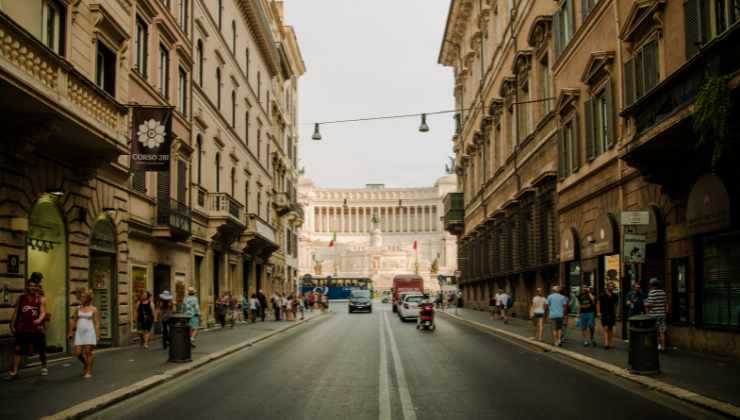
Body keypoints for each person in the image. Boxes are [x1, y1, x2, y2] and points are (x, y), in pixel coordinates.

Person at [7, 273, 48, 379]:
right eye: (30, 286)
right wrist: (12, 324)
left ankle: (44, 365)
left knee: (41, 349)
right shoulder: (21, 298)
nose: (32, 288)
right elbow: (16, 312)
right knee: (17, 350)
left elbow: (43, 312)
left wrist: (38, 320)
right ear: (27, 286)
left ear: (37, 287)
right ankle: (14, 372)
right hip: (23, 328)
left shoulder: (41, 299)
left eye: (34, 286)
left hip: (36, 328)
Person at [69, 288, 99, 379]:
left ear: (88, 298)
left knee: (88, 352)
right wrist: (70, 332)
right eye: (81, 297)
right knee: (77, 353)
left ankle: (88, 370)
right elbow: (73, 320)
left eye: (84, 297)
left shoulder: (94, 309)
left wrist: (97, 335)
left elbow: (97, 323)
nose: (82, 298)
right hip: (79, 333)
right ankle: (86, 364)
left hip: (89, 332)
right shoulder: (78, 308)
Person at [645, 278, 668, 351]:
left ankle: (658, 345)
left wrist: (646, 304)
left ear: (651, 285)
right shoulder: (663, 292)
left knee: (656, 331)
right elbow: (665, 303)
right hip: (662, 314)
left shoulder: (652, 293)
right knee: (662, 331)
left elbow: (649, 304)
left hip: (654, 315)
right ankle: (663, 347)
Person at [598, 282, 619, 350]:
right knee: (606, 328)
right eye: (610, 286)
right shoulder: (602, 295)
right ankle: (606, 343)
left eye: (612, 286)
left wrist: (617, 313)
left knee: (610, 328)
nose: (611, 287)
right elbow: (598, 303)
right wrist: (599, 312)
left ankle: (609, 342)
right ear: (607, 287)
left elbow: (616, 305)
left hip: (612, 313)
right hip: (604, 313)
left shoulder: (615, 295)